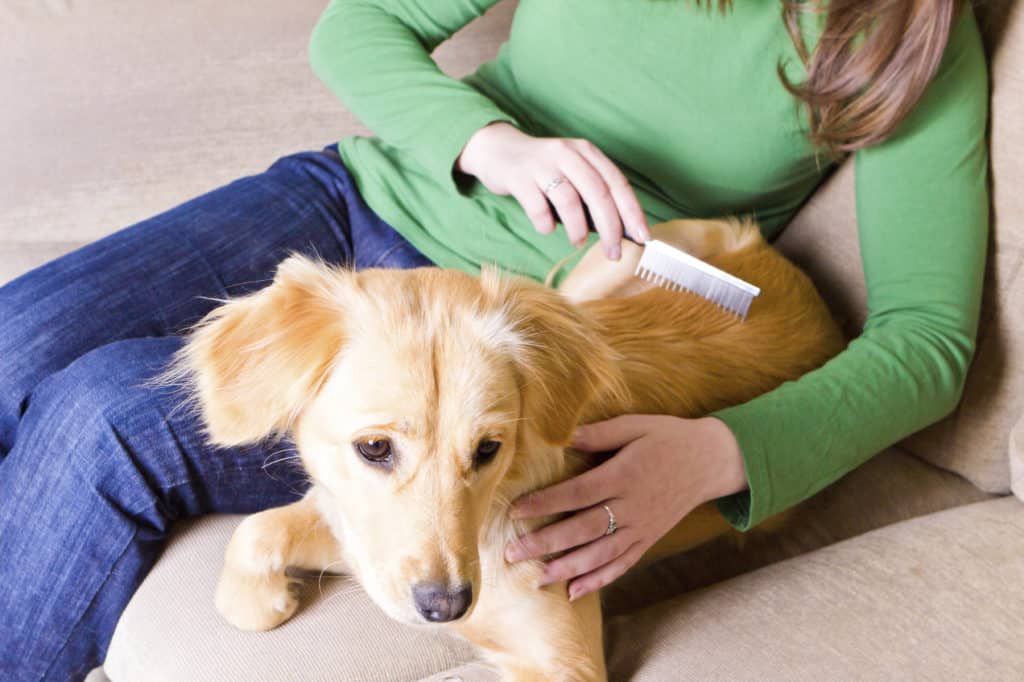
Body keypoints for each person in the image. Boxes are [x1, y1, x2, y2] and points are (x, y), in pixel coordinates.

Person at [0, 0, 988, 679]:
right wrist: (491, 144)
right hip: (364, 201)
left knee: (102, 423)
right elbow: (362, 23)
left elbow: (927, 340)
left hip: (519, 330)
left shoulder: (906, 37)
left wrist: (716, 456)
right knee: (14, 338)